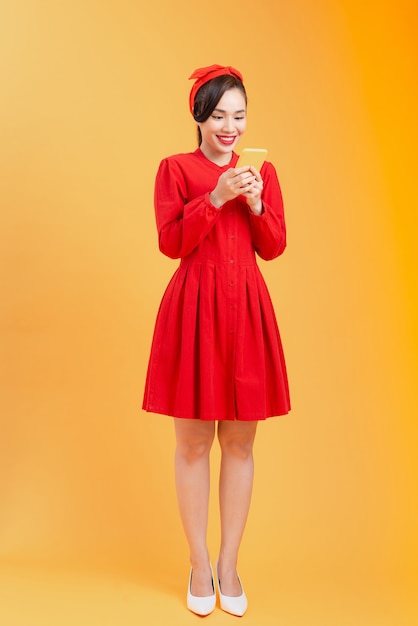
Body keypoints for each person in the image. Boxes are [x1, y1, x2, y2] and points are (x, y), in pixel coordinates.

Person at [142, 64, 290, 616]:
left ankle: (230, 563)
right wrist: (217, 197)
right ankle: (199, 562)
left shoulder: (263, 174)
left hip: (246, 310)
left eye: (240, 116)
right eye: (219, 116)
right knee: (192, 444)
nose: (230, 127)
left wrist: (253, 203)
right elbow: (171, 243)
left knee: (241, 444)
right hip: (194, 309)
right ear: (199, 117)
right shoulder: (175, 169)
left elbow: (274, 247)